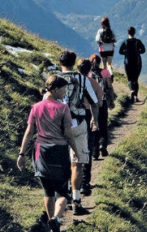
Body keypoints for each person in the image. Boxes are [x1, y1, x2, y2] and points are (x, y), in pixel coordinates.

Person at [17, 76, 78, 232]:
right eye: (64, 89)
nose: (65, 93)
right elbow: (68, 133)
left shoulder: (36, 107)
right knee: (63, 192)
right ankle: (56, 218)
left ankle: (52, 225)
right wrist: (76, 151)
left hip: (40, 152)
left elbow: (29, 132)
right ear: (56, 89)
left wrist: (21, 154)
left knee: (48, 191)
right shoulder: (63, 108)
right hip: (59, 151)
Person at [57, 50, 99, 215]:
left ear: (61, 63)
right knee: (77, 163)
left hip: (58, 126)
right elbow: (94, 102)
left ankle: (63, 196)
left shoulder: (54, 79)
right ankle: (76, 201)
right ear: (74, 63)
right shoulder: (81, 79)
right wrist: (94, 119)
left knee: (62, 162)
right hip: (78, 123)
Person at [77, 58, 105, 197]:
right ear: (89, 70)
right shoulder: (92, 82)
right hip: (87, 115)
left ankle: (71, 183)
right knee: (86, 148)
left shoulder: (71, 81)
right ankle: (84, 182)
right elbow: (99, 102)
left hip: (71, 117)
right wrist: (95, 119)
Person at [89, 53, 115, 159]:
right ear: (100, 62)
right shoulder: (105, 72)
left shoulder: (88, 74)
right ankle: (102, 145)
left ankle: (94, 151)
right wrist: (111, 101)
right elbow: (109, 87)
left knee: (94, 125)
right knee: (103, 124)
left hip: (91, 103)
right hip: (102, 102)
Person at [119, 26, 146, 103]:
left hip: (128, 62)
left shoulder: (125, 42)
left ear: (128, 33)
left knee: (130, 79)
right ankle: (136, 97)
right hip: (137, 62)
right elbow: (143, 50)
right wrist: (138, 52)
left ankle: (131, 91)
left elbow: (120, 51)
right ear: (134, 33)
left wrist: (126, 53)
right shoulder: (138, 41)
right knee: (136, 79)